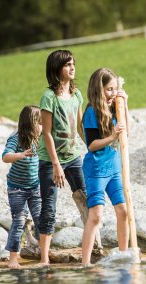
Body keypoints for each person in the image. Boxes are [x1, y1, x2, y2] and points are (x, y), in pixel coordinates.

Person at [38, 49, 96, 265]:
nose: (72, 67)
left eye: (73, 64)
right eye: (67, 65)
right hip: (49, 161)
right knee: (49, 208)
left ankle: (94, 247)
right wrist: (55, 165)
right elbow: (46, 133)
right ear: (56, 70)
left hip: (73, 158)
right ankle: (44, 259)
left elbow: (81, 128)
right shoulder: (48, 98)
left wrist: (92, 147)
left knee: (87, 199)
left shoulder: (76, 95)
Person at [80, 68, 130, 266]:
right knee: (96, 215)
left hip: (114, 165)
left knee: (123, 211)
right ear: (98, 89)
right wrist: (112, 137)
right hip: (97, 169)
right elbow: (91, 145)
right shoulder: (91, 111)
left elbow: (127, 132)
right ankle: (85, 263)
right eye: (109, 89)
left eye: (115, 89)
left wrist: (124, 104)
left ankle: (124, 255)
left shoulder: (114, 107)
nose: (113, 94)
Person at [2, 105, 42, 269]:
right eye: (39, 123)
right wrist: (20, 155)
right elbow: (5, 157)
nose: (42, 126)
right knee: (18, 221)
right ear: (29, 124)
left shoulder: (40, 139)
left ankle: (39, 248)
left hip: (35, 187)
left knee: (41, 219)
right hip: (17, 188)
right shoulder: (16, 139)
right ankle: (13, 258)